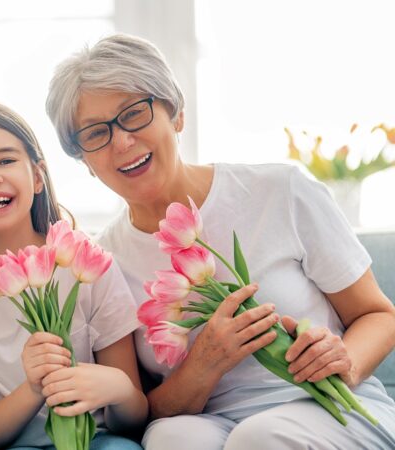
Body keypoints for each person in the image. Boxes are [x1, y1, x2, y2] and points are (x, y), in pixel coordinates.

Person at [45, 33, 395, 449]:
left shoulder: (280, 191)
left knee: (260, 436)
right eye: (95, 134)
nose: (121, 142)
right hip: (210, 422)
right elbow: (138, 411)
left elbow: (379, 315)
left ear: (175, 114)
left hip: (331, 406)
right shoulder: (103, 262)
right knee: (172, 439)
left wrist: (344, 361)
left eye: (134, 114)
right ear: (83, 159)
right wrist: (204, 361)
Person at [0, 103, 147, 449]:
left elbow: (133, 419)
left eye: (6, 160)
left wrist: (119, 388)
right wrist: (33, 388)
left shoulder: (84, 264)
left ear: (37, 177)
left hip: (100, 440)